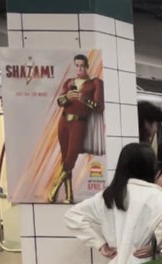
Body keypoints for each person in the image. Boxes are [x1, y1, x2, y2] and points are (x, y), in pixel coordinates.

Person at [51, 53, 105, 203]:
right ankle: (69, 195)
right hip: (64, 121)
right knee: (65, 158)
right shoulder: (69, 82)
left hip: (80, 123)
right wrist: (68, 96)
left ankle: (54, 188)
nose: (79, 68)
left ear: (87, 66)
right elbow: (60, 102)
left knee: (71, 156)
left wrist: (83, 99)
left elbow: (99, 107)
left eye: (82, 65)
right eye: (77, 65)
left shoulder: (95, 83)